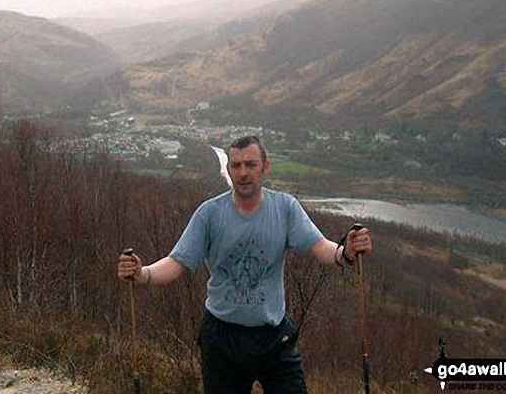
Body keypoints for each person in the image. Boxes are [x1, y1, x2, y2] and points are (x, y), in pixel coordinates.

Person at [118, 135, 372, 393]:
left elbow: (319, 247)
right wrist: (143, 274)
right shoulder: (209, 214)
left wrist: (346, 253)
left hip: (273, 337)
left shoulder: (285, 208)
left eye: (251, 165)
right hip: (222, 339)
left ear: (265, 167)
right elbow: (177, 262)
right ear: (228, 169)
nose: (243, 173)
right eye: (236, 165)